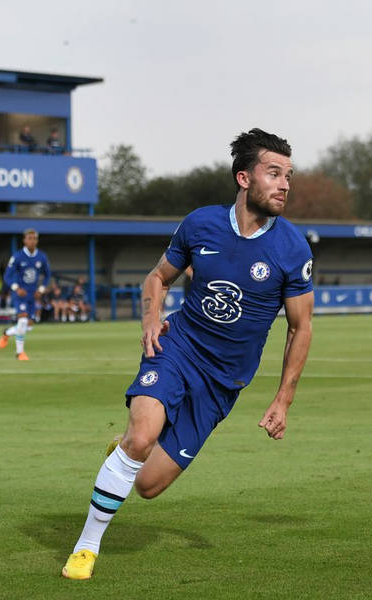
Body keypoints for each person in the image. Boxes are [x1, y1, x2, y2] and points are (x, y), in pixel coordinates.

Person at [61, 128, 315, 580]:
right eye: (274, 173)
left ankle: (127, 449)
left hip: (223, 382)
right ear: (244, 178)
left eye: (288, 176)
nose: (284, 185)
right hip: (177, 348)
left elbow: (301, 327)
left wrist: (283, 400)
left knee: (147, 484)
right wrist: (150, 319)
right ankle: (86, 546)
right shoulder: (200, 224)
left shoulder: (292, 248)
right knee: (142, 437)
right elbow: (157, 278)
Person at [0, 229, 51, 360]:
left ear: (37, 240)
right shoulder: (17, 256)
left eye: (34, 238)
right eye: (29, 238)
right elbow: (7, 276)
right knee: (22, 321)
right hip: (20, 294)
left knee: (28, 326)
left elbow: (47, 275)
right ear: (24, 240)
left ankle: (7, 333)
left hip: (33, 295)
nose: (32, 241)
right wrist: (16, 288)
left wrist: (41, 289)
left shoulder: (42, 257)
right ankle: (19, 353)